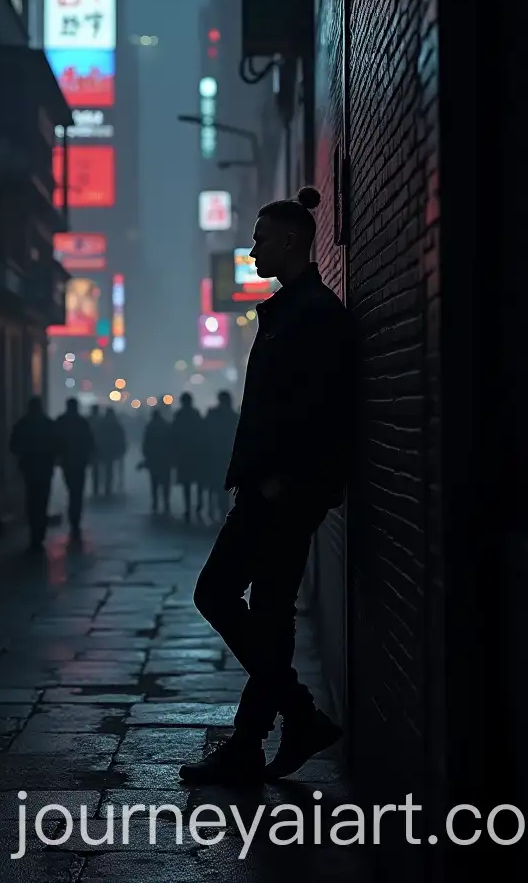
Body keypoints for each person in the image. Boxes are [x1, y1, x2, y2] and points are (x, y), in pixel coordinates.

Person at [180, 186, 354, 784]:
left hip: (280, 493)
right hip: (277, 488)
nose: (252, 250)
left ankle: (297, 714)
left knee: (215, 592)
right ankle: (252, 743)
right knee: (273, 616)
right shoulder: (292, 313)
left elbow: (317, 412)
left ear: (290, 241)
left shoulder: (313, 317)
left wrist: (275, 482)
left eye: (259, 240)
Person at [9, 397, 57, 548]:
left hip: (29, 468)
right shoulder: (49, 424)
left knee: (31, 500)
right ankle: (39, 532)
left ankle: (34, 532)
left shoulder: (23, 424)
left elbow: (13, 445)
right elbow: (57, 444)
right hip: (45, 467)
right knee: (42, 500)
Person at [54, 398, 94, 539]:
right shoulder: (82, 422)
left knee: (71, 489)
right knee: (77, 492)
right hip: (80, 462)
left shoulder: (61, 421)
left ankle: (73, 517)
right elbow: (90, 441)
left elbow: (54, 440)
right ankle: (75, 518)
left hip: (67, 461)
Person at [169, 393, 206, 522]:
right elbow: (203, 432)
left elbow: (173, 436)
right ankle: (199, 504)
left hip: (183, 454)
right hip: (196, 453)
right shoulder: (196, 414)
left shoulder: (179, 415)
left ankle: (188, 507)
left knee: (186, 484)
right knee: (199, 481)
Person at [203, 391, 239, 520]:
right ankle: (222, 510)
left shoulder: (213, 415)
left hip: (214, 455)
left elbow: (205, 434)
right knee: (225, 485)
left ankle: (215, 509)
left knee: (215, 485)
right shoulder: (233, 416)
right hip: (227, 456)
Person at [140, 408, 172, 514]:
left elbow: (146, 442)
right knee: (166, 482)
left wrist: (146, 455)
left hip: (153, 458)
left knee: (154, 482)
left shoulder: (150, 427)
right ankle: (166, 502)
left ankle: (155, 502)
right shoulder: (166, 426)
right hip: (165, 458)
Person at [99, 408, 127, 496]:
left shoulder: (102, 424)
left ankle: (104, 485)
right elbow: (121, 437)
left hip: (104, 449)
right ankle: (111, 485)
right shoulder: (116, 424)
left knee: (104, 468)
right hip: (114, 449)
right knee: (111, 469)